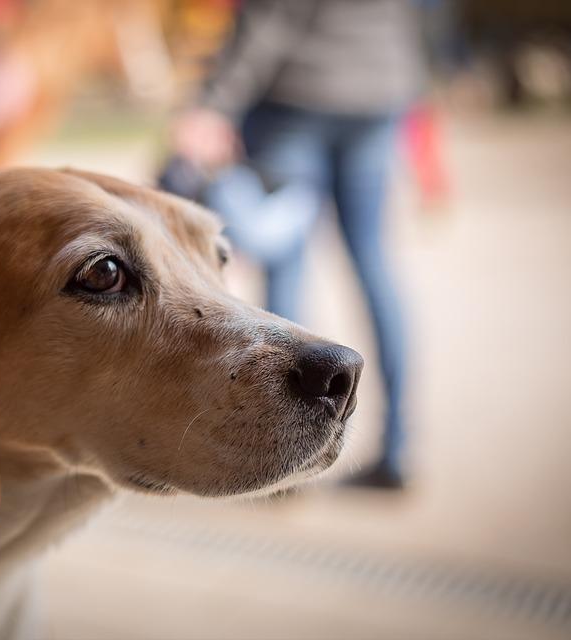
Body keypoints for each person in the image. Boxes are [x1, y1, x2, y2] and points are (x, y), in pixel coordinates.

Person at [171, 0, 425, 489]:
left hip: (297, 96)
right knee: (374, 261)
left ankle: (282, 455)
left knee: (285, 260)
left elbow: (273, 15)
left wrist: (214, 103)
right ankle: (397, 449)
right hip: (381, 91)